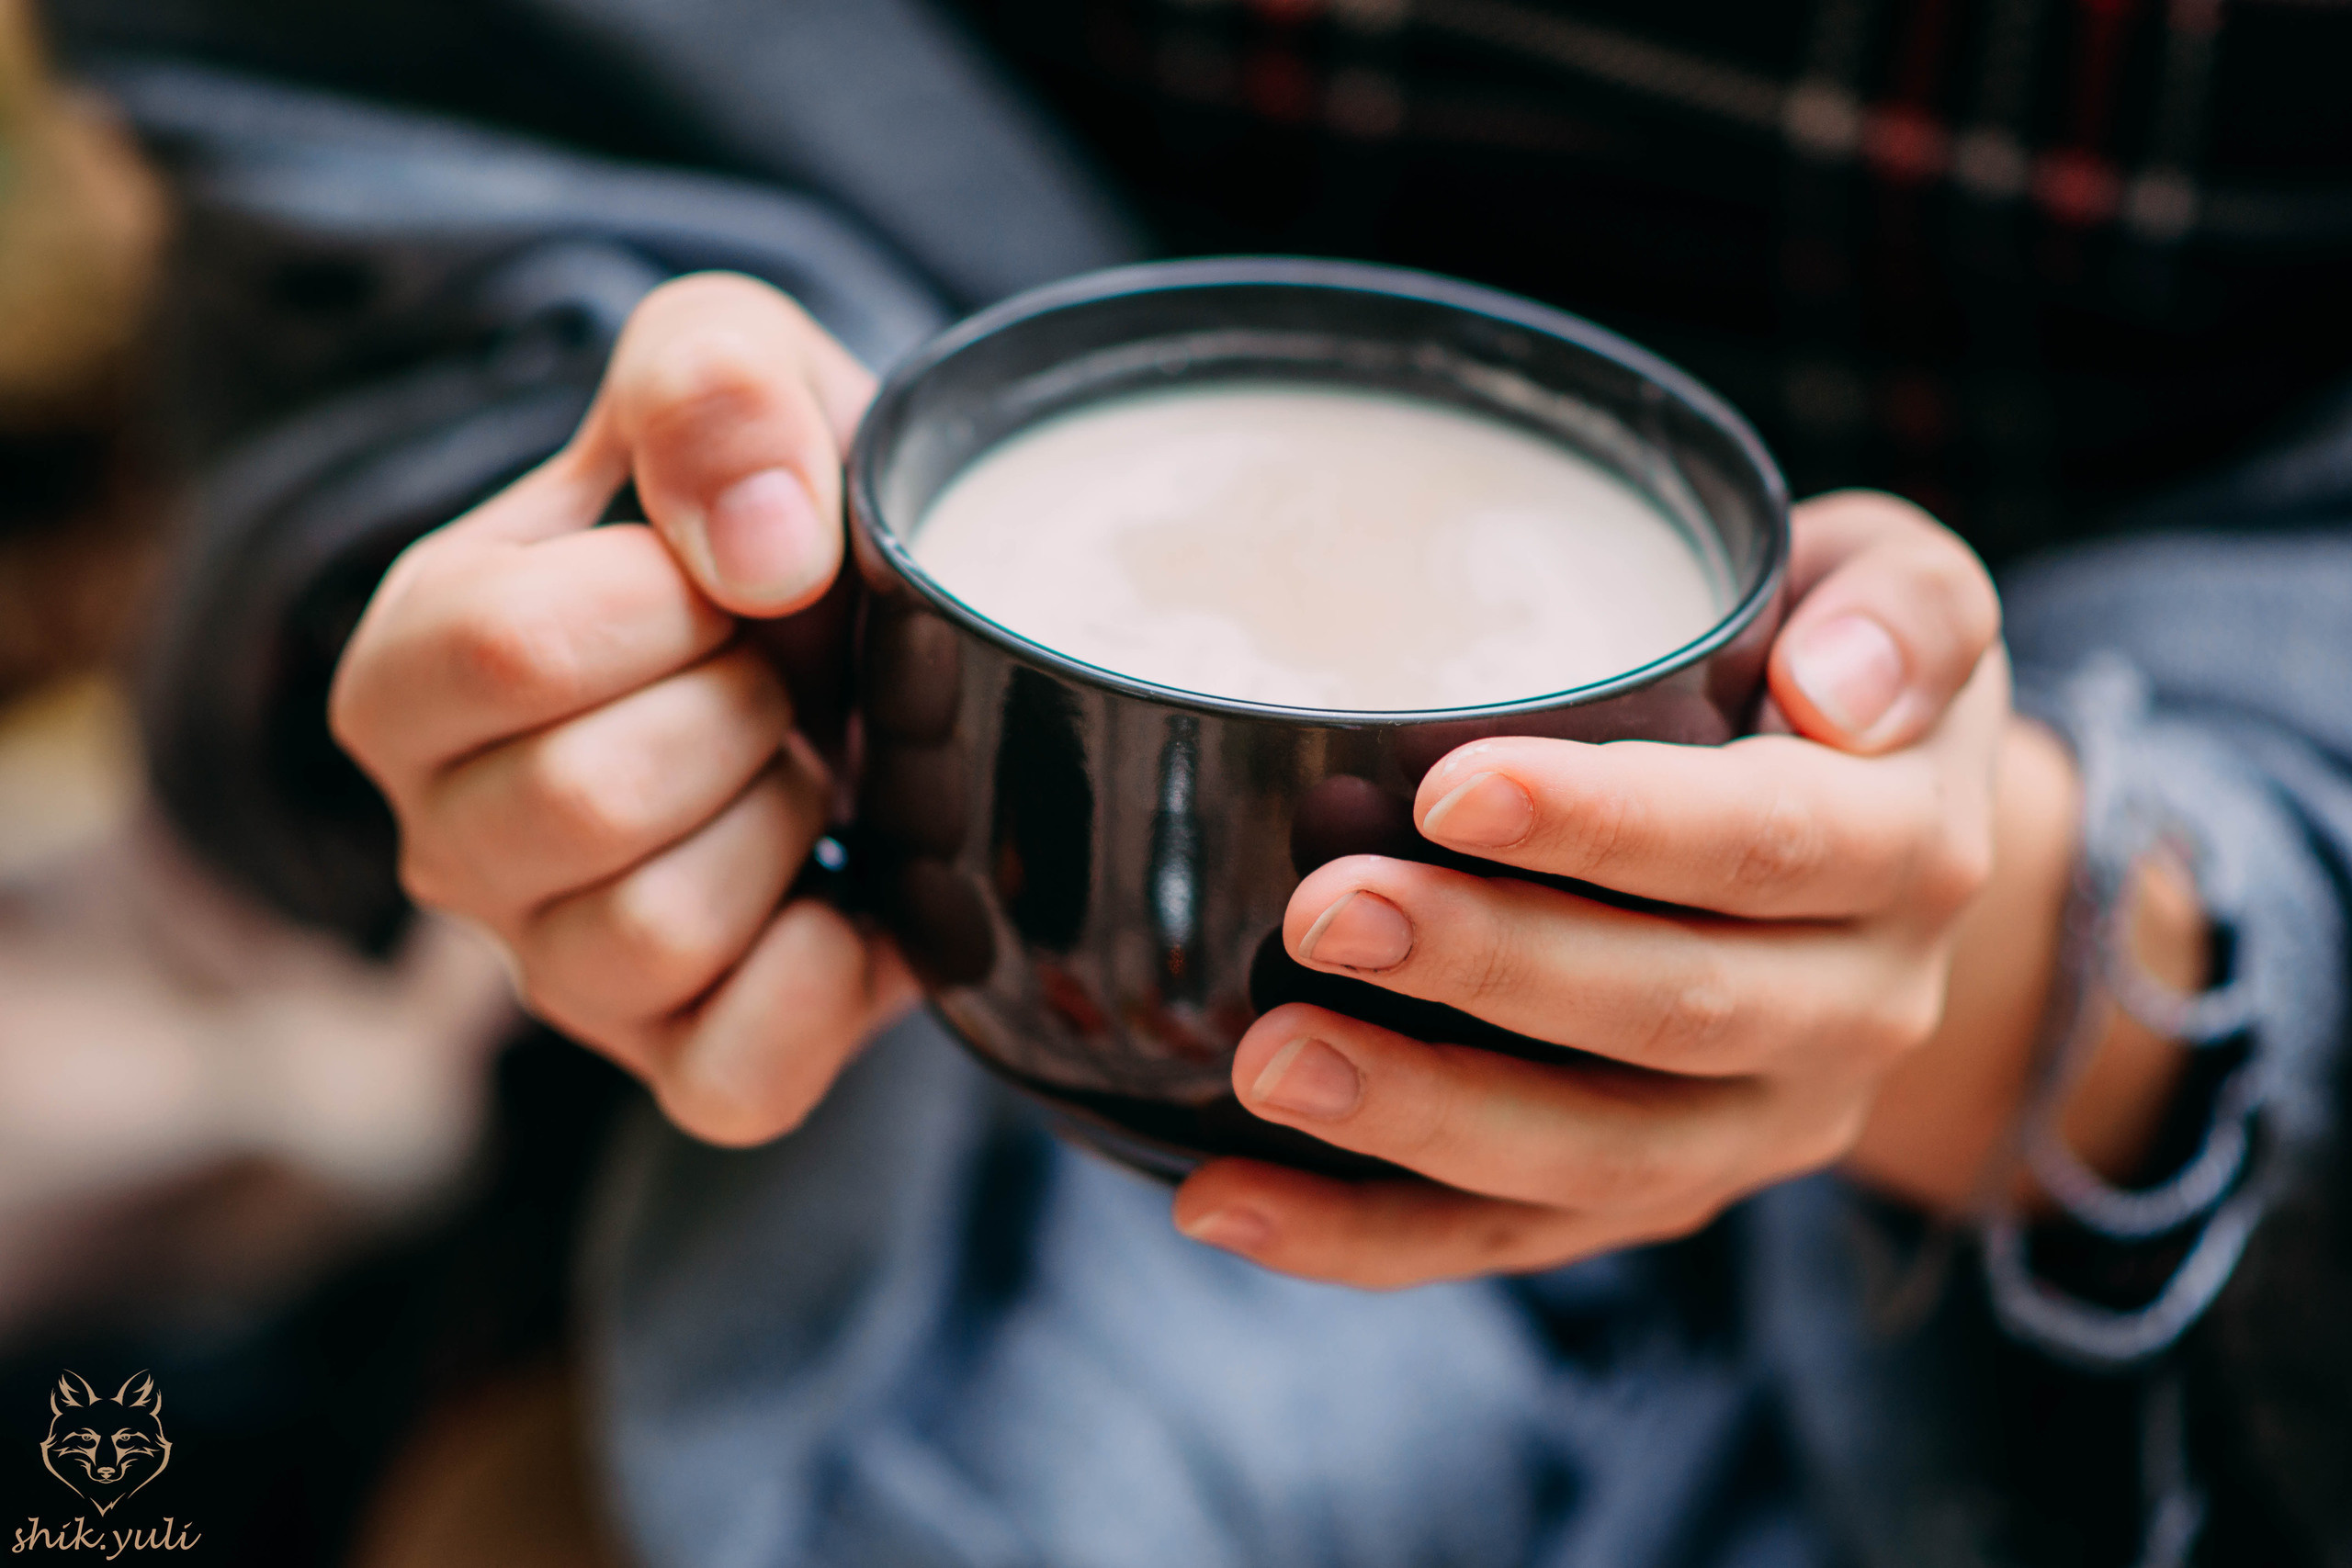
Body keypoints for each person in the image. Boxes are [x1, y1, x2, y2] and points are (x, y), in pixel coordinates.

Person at [44, 0, 2352, 1562]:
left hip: (2143, 1307)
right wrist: (612, 633)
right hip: (797, 1212)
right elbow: (392, 126)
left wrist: (2080, 959)